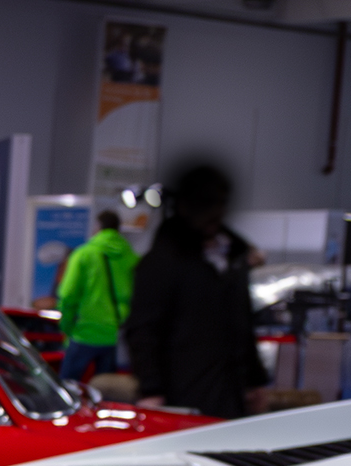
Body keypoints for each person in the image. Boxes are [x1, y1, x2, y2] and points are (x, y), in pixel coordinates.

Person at [125, 163, 267, 418]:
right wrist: (151, 389)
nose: (215, 212)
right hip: (181, 394)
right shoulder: (162, 263)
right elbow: (143, 329)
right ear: (185, 207)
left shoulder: (230, 259)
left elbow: (242, 324)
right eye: (206, 204)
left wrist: (253, 380)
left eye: (219, 204)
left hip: (230, 393)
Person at [54, 210, 136, 384]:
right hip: (115, 334)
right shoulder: (131, 258)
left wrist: (66, 327)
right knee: (105, 392)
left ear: (98, 227)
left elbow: (68, 294)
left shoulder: (84, 254)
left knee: (67, 389)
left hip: (85, 331)